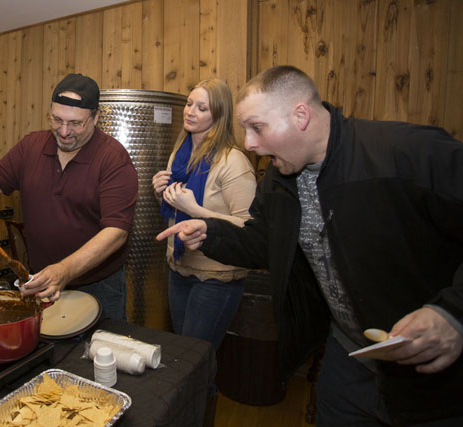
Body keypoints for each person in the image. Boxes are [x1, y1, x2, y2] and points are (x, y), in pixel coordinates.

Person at [157, 65, 463, 425]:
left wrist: (453, 313)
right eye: (245, 130)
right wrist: (209, 231)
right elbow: (263, 243)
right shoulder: (278, 179)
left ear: (300, 115)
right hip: (349, 357)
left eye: (257, 127)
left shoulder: (407, 152)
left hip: (434, 374)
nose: (250, 143)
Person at [0, 73, 138, 321]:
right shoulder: (31, 146)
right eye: (56, 120)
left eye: (75, 123)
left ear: (96, 117)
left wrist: (65, 270)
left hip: (97, 286)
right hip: (41, 281)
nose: (64, 131)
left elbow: (116, 232)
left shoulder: (113, 159)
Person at [151, 78, 256, 349]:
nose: (190, 111)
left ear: (219, 115)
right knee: (182, 355)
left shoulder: (233, 161)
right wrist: (160, 191)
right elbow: (175, 208)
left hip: (215, 277)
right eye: (189, 104)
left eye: (202, 108)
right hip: (180, 268)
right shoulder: (181, 154)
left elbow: (250, 227)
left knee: (195, 359)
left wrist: (195, 210)